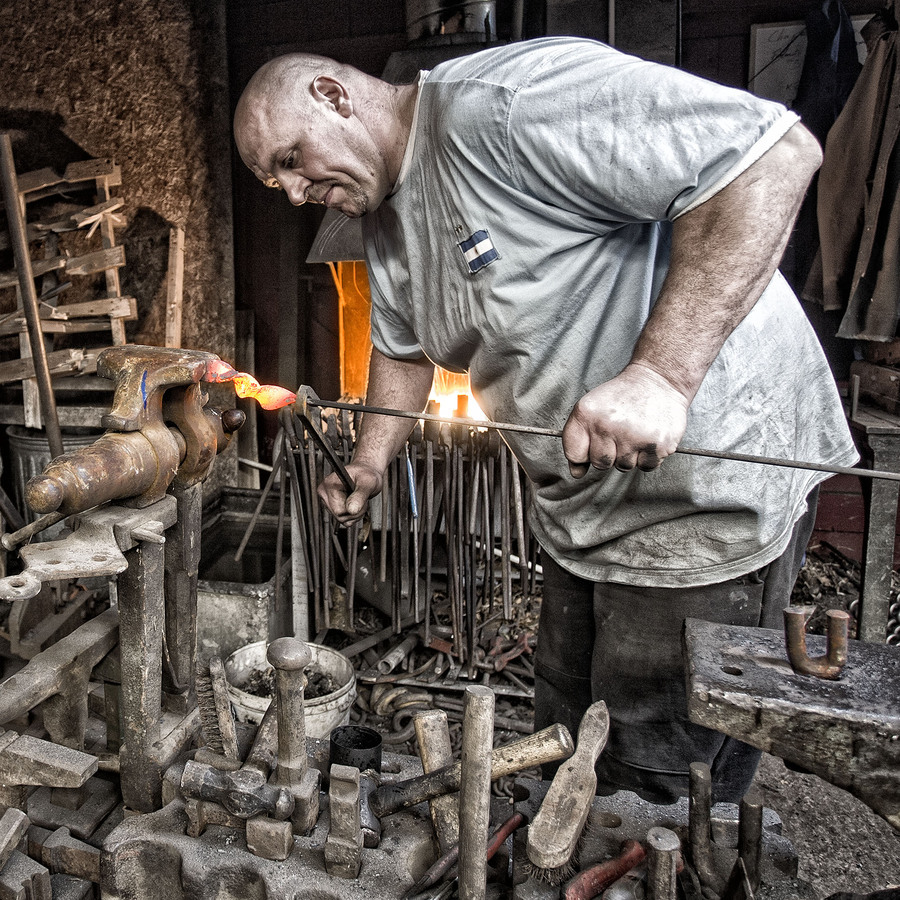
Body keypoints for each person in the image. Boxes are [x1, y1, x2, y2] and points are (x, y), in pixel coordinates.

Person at [234, 37, 859, 804]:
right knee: (565, 741)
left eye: (292, 159)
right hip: (579, 511)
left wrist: (661, 374)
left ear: (333, 95)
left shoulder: (506, 107)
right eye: (276, 183)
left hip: (702, 496)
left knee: (658, 782)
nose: (294, 193)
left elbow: (772, 152)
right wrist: (370, 460)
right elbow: (401, 345)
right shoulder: (386, 213)